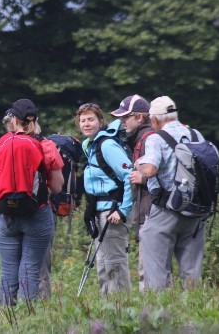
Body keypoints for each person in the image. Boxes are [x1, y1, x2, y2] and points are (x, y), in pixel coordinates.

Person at [0, 98, 64, 305]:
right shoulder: (46, 145)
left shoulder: (3, 143)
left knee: (8, 273)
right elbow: (57, 187)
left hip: (7, 215)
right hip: (37, 214)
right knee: (30, 270)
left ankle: (4, 318)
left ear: (14, 120)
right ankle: (28, 318)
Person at [135, 96, 206, 291]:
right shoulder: (196, 135)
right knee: (192, 273)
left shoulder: (156, 138)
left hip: (165, 210)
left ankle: (159, 308)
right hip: (195, 211)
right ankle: (194, 306)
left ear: (155, 119)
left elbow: (150, 169)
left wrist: (138, 164)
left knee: (156, 272)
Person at [77, 103, 133, 295]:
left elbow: (129, 176)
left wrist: (123, 210)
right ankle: (108, 308)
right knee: (102, 265)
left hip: (113, 212)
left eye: (90, 119)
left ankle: (123, 307)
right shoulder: (91, 146)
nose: (86, 124)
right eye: (83, 121)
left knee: (114, 264)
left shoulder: (107, 145)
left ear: (101, 121)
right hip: (101, 211)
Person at [110, 94, 156, 292]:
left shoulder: (148, 140)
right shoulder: (138, 139)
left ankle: (153, 309)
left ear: (139, 117)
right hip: (148, 212)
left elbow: (164, 175)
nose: (122, 122)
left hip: (152, 213)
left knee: (150, 271)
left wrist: (143, 179)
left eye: (125, 117)